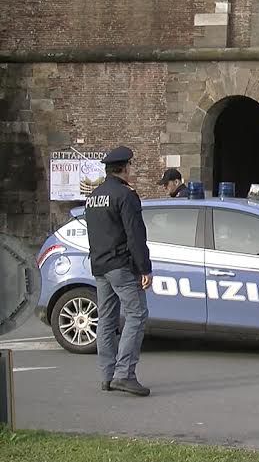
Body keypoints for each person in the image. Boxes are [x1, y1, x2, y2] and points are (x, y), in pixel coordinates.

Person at [84, 146, 153, 396]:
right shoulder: (125, 195)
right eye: (131, 166)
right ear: (125, 168)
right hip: (121, 266)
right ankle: (124, 374)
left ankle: (107, 375)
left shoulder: (94, 195)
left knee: (107, 320)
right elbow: (135, 235)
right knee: (137, 315)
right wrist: (144, 268)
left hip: (100, 265)